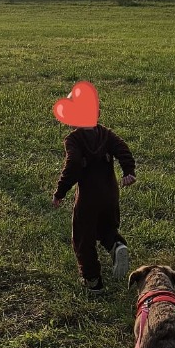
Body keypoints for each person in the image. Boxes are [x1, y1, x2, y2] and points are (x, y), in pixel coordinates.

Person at [52, 117, 136, 294]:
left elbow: (73, 164)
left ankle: (92, 280)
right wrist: (128, 171)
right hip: (110, 195)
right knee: (107, 227)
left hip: (88, 198)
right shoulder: (106, 134)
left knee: (83, 237)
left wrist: (60, 191)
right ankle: (115, 244)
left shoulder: (74, 139)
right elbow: (122, 148)